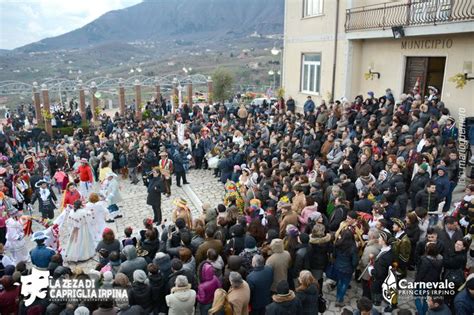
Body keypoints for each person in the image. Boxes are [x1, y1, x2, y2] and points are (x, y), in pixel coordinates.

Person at [333, 229, 358, 307]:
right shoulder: (353, 248)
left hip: (337, 266)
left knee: (340, 282)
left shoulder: (337, 244)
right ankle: (339, 299)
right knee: (345, 283)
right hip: (348, 269)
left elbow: (334, 255)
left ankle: (338, 297)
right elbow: (354, 262)